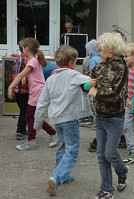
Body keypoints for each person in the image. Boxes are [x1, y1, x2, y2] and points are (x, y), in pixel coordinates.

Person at [33, 45, 94, 196]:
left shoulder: (51, 78)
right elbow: (91, 81)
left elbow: (41, 103)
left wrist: (37, 122)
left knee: (63, 147)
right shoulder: (74, 75)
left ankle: (62, 175)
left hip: (56, 119)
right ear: (72, 62)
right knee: (72, 150)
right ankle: (57, 176)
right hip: (69, 119)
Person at [87, 32, 128, 199]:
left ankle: (123, 171)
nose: (98, 52)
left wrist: (95, 93)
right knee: (101, 155)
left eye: (100, 49)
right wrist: (86, 84)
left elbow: (117, 95)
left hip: (115, 117)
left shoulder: (121, 67)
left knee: (110, 154)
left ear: (110, 49)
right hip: (100, 116)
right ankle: (106, 189)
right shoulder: (99, 66)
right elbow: (87, 80)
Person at [7, 37, 57, 150]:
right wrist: (25, 77)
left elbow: (20, 75)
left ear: (27, 48)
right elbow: (28, 73)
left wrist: (10, 87)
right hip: (37, 92)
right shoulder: (34, 60)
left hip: (38, 92)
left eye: (22, 47)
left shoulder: (32, 61)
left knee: (30, 116)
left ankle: (34, 141)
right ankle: (50, 134)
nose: (21, 50)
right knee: (33, 116)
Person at [9, 39, 29, 140]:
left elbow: (12, 74)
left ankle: (20, 129)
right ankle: (20, 131)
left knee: (22, 109)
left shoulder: (18, 59)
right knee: (25, 110)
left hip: (17, 90)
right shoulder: (27, 60)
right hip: (23, 90)